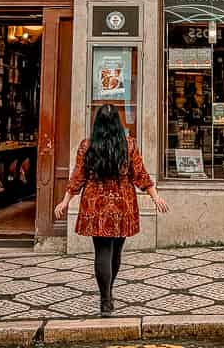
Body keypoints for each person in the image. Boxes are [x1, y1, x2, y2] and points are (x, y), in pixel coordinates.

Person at [54, 104, 168, 316]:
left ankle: (106, 299)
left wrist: (65, 200)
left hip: (95, 204)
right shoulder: (129, 145)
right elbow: (140, 174)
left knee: (102, 251)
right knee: (115, 251)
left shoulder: (87, 146)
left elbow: (78, 177)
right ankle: (108, 294)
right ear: (118, 122)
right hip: (122, 203)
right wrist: (155, 196)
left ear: (97, 123)